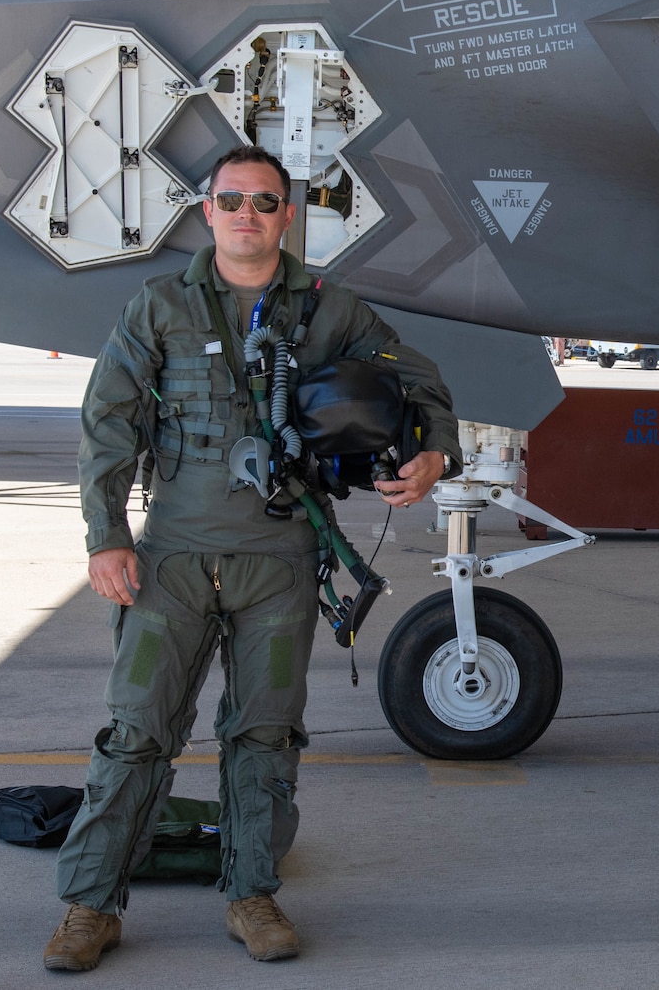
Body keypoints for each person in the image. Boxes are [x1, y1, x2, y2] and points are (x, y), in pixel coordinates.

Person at [42, 144, 461, 971]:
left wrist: (434, 452)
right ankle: (89, 906)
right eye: (231, 199)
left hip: (278, 562)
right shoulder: (161, 306)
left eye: (265, 202)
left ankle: (252, 894)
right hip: (173, 559)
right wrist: (107, 536)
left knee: (265, 735)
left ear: (286, 215)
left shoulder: (331, 310)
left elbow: (422, 383)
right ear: (208, 212)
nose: (247, 214)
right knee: (136, 733)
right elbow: (109, 425)